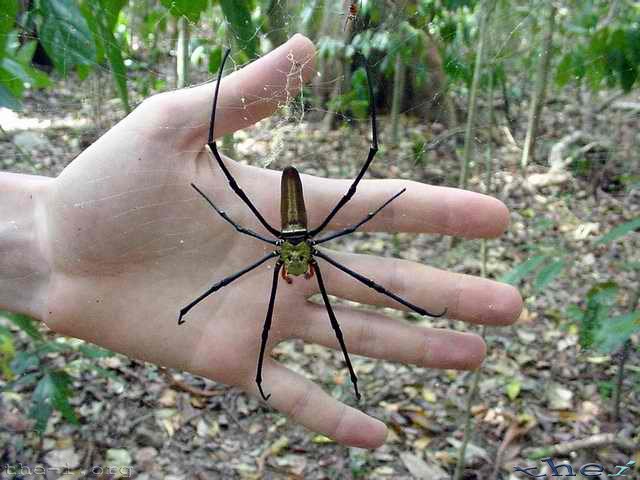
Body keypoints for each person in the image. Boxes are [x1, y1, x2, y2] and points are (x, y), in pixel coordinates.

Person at [0, 34, 522, 449]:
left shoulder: (277, 247)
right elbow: (252, 220)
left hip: (289, 229)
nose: (295, 270)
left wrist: (48, 241)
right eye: (295, 265)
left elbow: (262, 227)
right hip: (295, 228)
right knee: (309, 306)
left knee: (333, 292)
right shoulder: (291, 247)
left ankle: (388, 340)